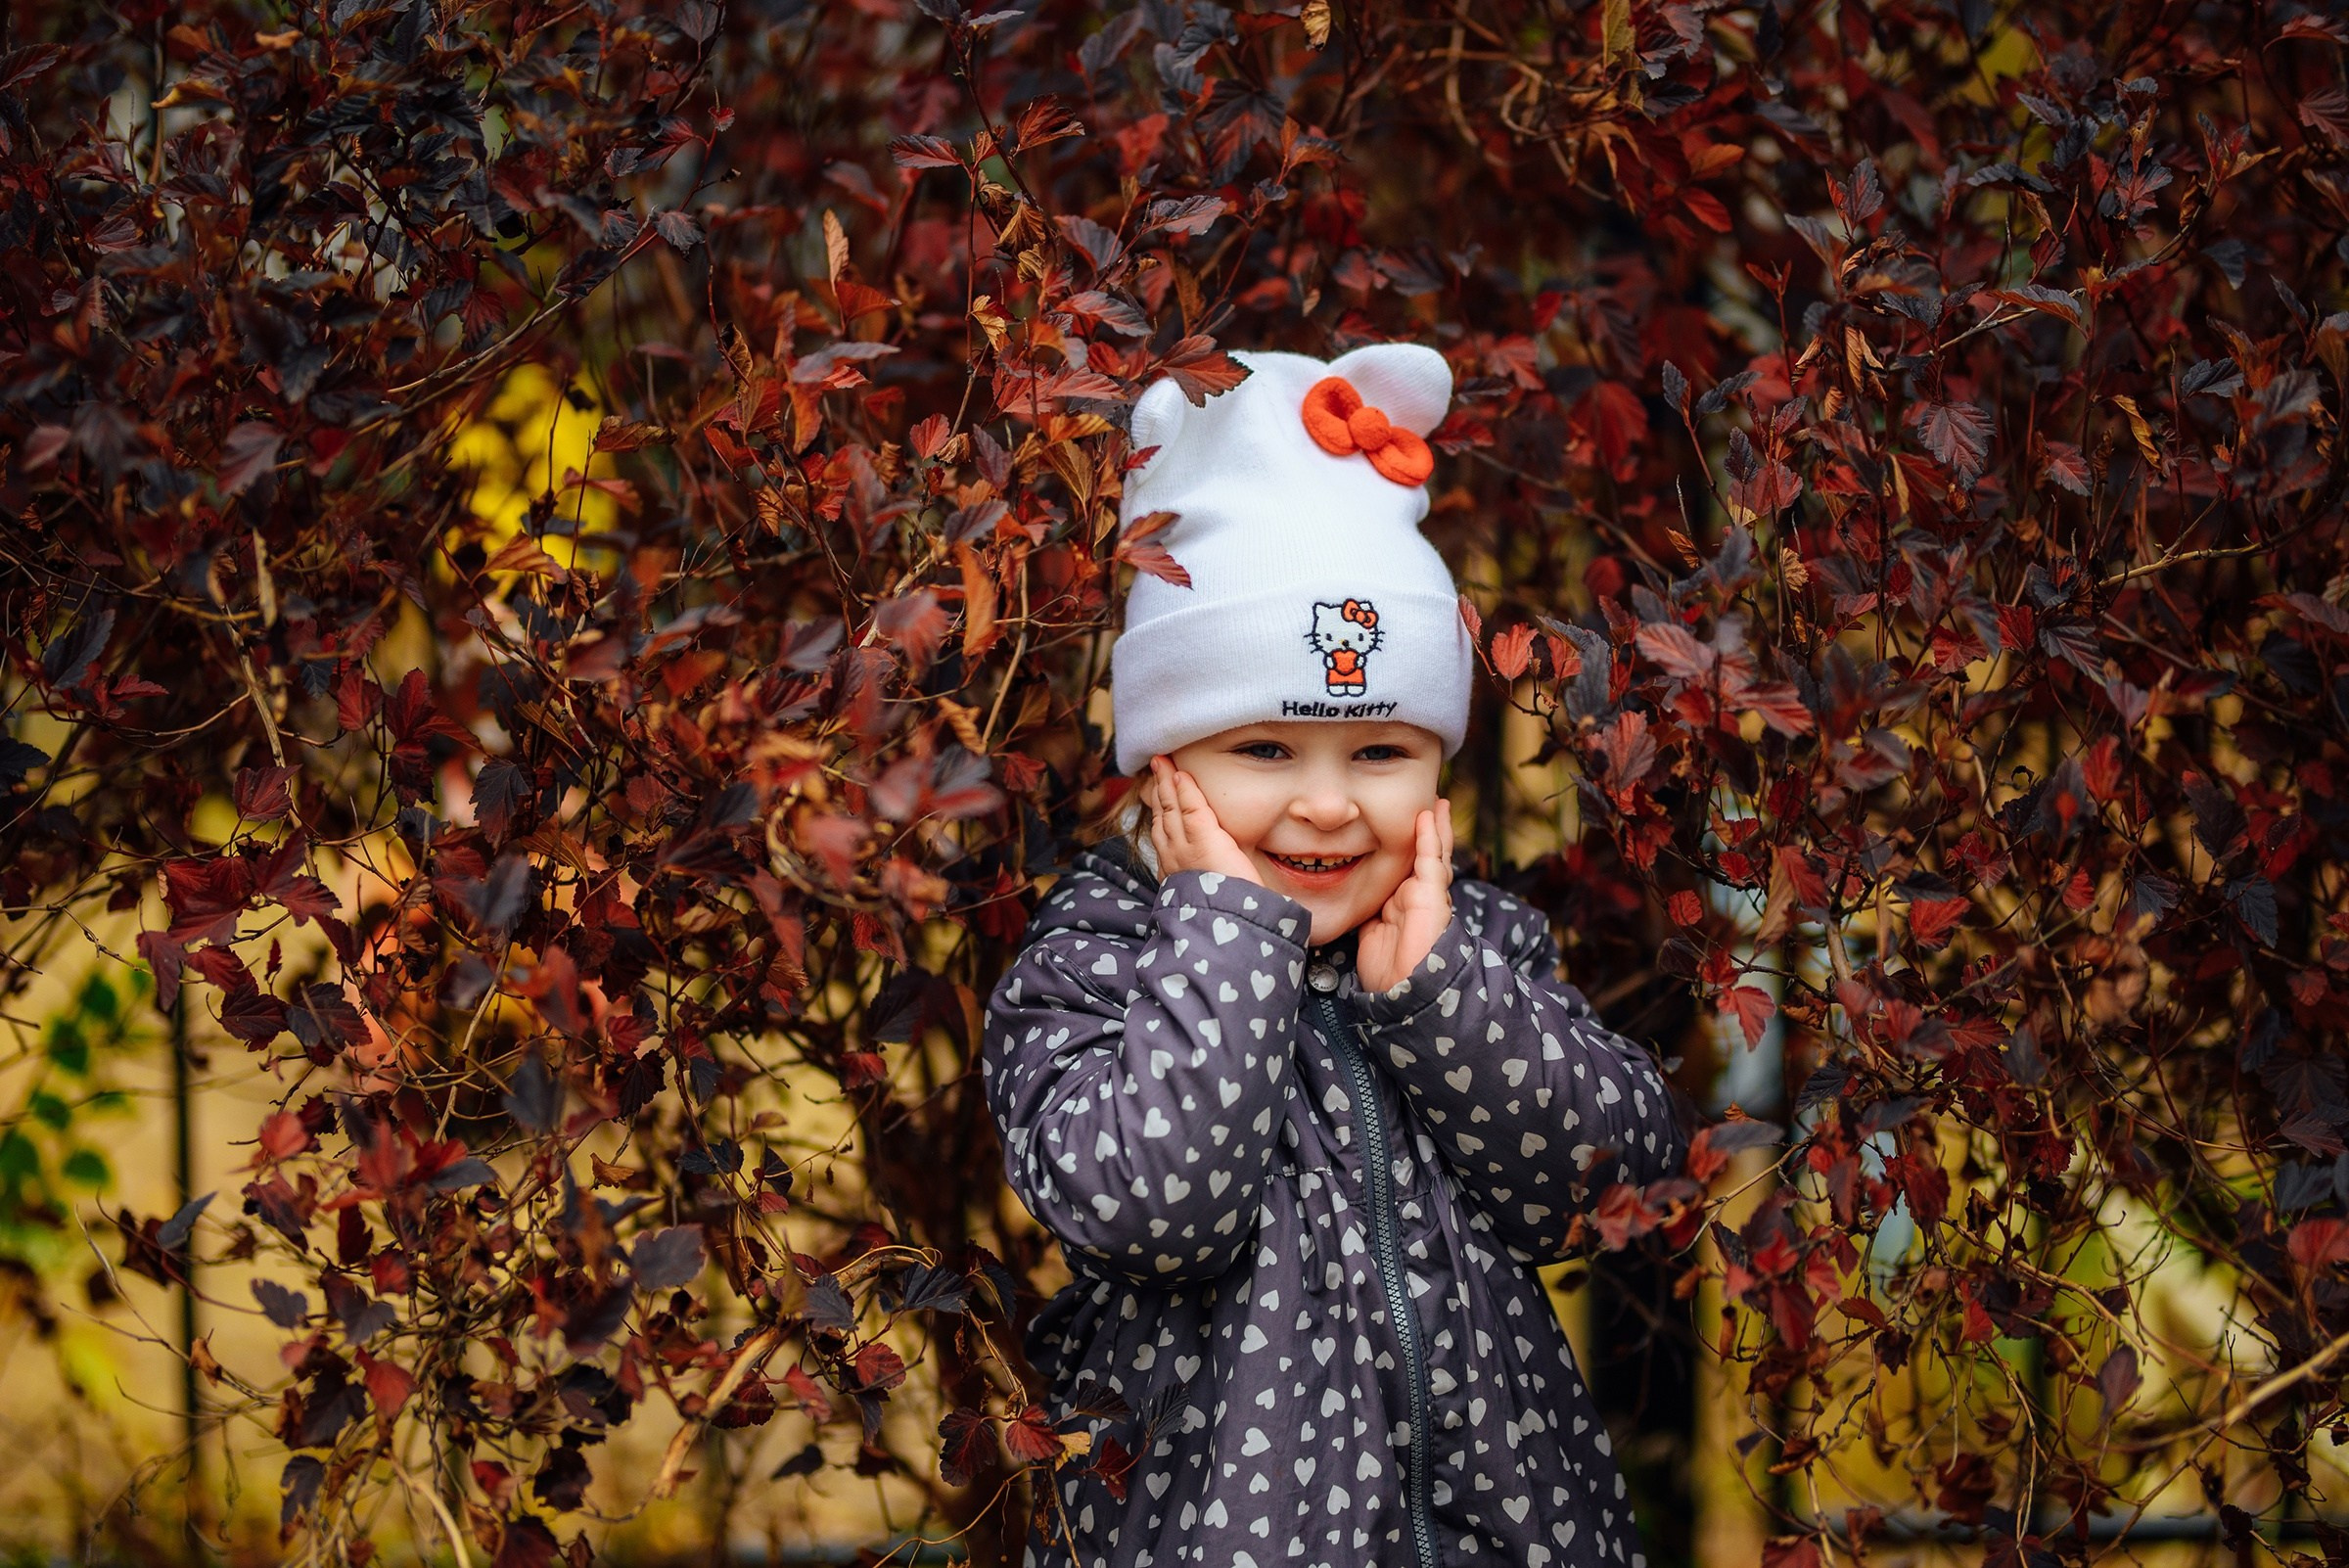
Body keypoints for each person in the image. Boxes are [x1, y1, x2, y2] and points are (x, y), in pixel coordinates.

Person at [983, 344, 1686, 1568]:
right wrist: (1226, 944)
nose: (1326, 806)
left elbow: (1604, 1184)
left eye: (1378, 753)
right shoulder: (1096, 960)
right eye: (1264, 750)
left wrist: (1443, 1001)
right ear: (1166, 763)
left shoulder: (1471, 946)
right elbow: (1153, 1212)